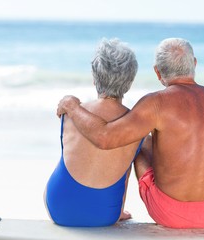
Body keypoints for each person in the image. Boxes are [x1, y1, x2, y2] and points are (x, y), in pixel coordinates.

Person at [57, 38, 204, 229]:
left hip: (172, 214)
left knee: (139, 141)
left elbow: (105, 138)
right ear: (194, 64)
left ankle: (119, 206)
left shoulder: (156, 103)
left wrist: (71, 106)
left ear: (157, 71)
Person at [45, 38, 143, 227]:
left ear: (94, 77)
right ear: (129, 82)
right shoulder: (135, 124)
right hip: (104, 215)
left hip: (58, 210)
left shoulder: (71, 112)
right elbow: (125, 177)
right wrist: (118, 211)